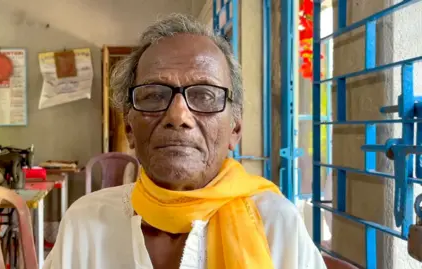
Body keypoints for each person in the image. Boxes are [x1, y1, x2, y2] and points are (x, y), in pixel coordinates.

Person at [43, 14, 327, 269]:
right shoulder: (86, 222)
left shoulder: (276, 224)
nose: (178, 115)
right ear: (129, 128)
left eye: (205, 95)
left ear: (235, 129)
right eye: (154, 95)